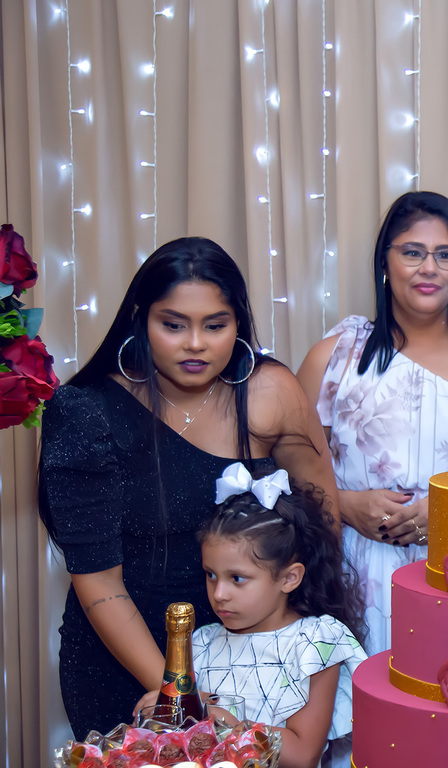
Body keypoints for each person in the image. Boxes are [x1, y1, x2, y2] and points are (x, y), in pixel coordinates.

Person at [39, 237, 338, 738]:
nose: (195, 343)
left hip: (253, 652)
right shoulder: (84, 410)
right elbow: (98, 580)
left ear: (238, 323)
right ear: (141, 320)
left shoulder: (270, 392)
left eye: (215, 326)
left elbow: (320, 519)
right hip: (125, 656)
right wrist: (178, 689)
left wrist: (296, 644)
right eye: (173, 325)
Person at [297, 191, 448, 655]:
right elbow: (286, 473)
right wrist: (344, 504)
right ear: (385, 261)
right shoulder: (337, 356)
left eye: (445, 255)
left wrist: (447, 511)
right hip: (349, 577)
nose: (430, 268)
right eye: (412, 252)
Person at [135, 464, 367, 768]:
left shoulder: (315, 643)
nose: (219, 593)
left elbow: (303, 754)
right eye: (211, 575)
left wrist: (216, 717)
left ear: (289, 578)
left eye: (237, 578)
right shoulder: (203, 643)